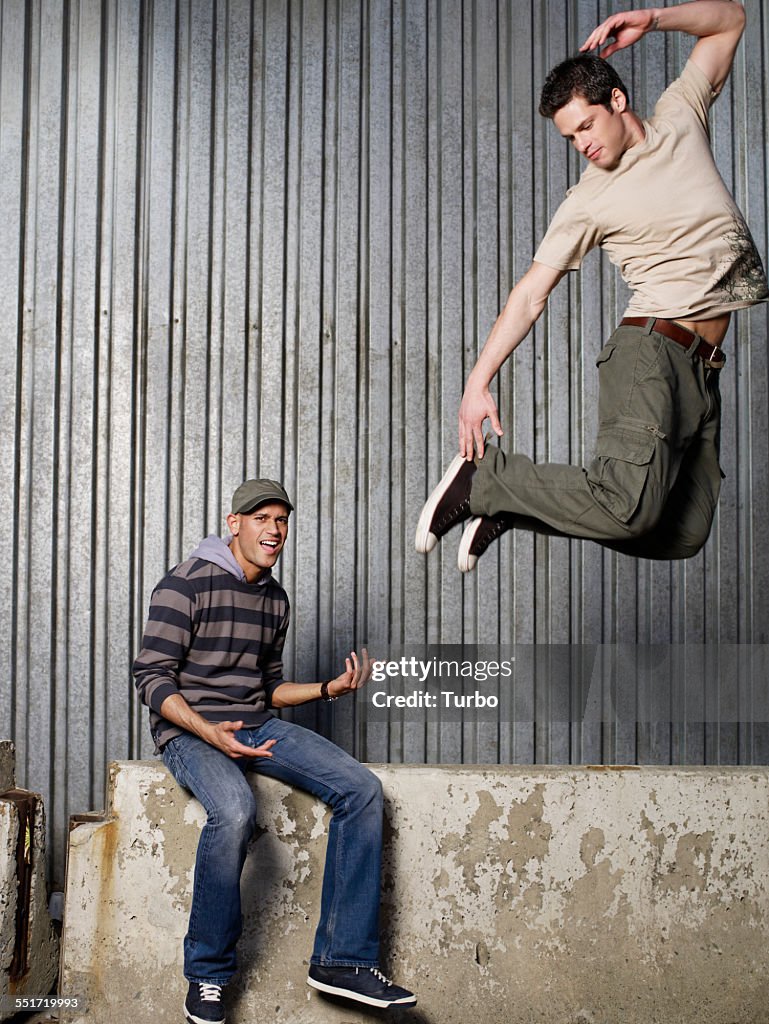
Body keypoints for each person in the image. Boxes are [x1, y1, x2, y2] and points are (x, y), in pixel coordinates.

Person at [416, 1, 767, 572]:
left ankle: (512, 505)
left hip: (704, 370)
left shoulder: (681, 113)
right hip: (651, 352)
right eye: (570, 138)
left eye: (586, 125)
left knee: (683, 532)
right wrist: (477, 383)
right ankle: (487, 479)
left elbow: (730, 18)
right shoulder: (587, 200)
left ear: (618, 102)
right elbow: (531, 292)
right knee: (629, 508)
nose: (583, 144)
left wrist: (651, 20)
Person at [133, 479, 416, 1024]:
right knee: (235, 809)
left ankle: (342, 960)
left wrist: (327, 690)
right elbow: (150, 678)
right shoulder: (184, 585)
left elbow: (267, 690)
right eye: (262, 518)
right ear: (234, 523)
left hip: (257, 725)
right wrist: (208, 732)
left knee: (362, 790)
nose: (274, 530)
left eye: (282, 520)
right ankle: (208, 976)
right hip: (191, 735)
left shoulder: (274, 600)